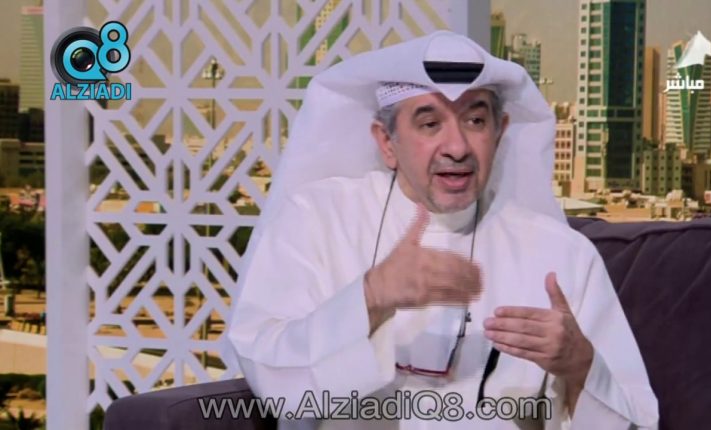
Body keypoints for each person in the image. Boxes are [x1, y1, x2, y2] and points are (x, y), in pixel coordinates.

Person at [227, 30, 658, 429]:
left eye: (475, 121)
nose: (457, 147)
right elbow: (270, 380)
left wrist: (580, 365)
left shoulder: (562, 254)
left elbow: (634, 421)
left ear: (500, 133)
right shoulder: (317, 220)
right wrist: (369, 298)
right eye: (430, 124)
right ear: (387, 142)